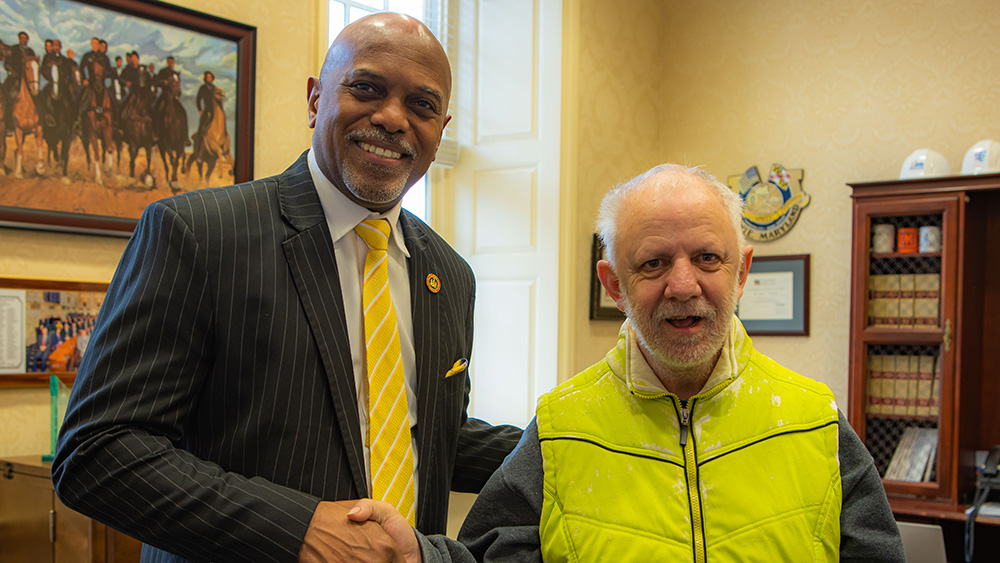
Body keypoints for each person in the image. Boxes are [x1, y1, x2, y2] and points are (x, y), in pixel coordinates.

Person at [52, 11, 522, 563]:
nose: (393, 118)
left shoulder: (450, 274)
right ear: (315, 99)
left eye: (421, 104)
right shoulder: (198, 234)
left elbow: (426, 432)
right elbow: (96, 452)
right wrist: (298, 528)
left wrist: (571, 440)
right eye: (367, 88)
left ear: (440, 132)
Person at [359, 164, 907, 562]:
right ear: (614, 285)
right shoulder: (559, 429)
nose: (683, 284)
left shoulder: (816, 424)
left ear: (741, 274)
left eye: (708, 258)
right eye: (654, 263)